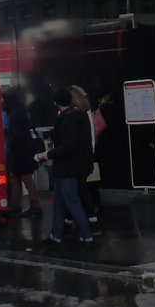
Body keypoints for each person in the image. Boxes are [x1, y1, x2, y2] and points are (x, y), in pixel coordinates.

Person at [35, 87, 94, 244]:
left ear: (56, 102)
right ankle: (56, 234)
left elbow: (67, 147)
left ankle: (86, 235)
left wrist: (48, 154)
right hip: (69, 167)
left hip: (67, 168)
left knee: (72, 203)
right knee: (59, 204)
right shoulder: (77, 116)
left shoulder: (68, 119)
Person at [2, 87, 41, 215]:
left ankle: (29, 206)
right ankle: (23, 206)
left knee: (23, 179)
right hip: (22, 151)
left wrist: (9, 137)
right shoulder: (18, 110)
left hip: (20, 152)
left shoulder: (15, 112)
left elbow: (17, 134)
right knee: (20, 178)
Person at [70, 84, 102, 225]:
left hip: (79, 155)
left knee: (80, 186)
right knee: (86, 184)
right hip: (87, 153)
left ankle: (85, 213)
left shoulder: (75, 114)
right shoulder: (86, 110)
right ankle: (92, 209)